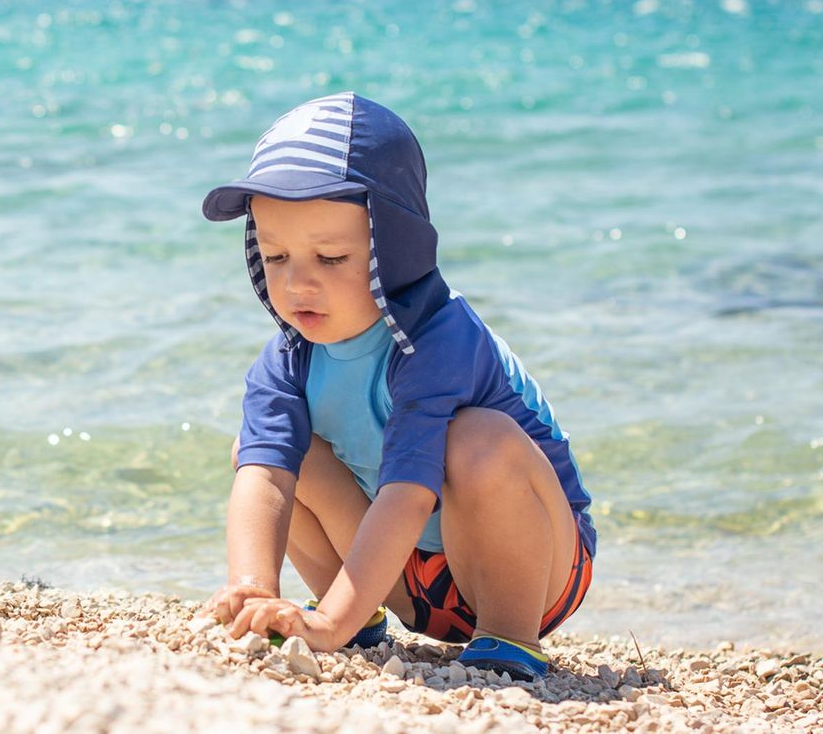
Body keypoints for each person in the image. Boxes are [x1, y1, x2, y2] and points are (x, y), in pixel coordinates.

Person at [198, 92, 595, 682]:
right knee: (259, 451)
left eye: (331, 258)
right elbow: (266, 477)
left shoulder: (437, 339)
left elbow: (408, 494)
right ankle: (353, 611)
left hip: (534, 571)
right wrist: (251, 588)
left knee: (477, 438)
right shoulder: (289, 355)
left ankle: (509, 637)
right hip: (402, 573)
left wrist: (324, 627)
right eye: (276, 255)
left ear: (395, 250)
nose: (298, 282)